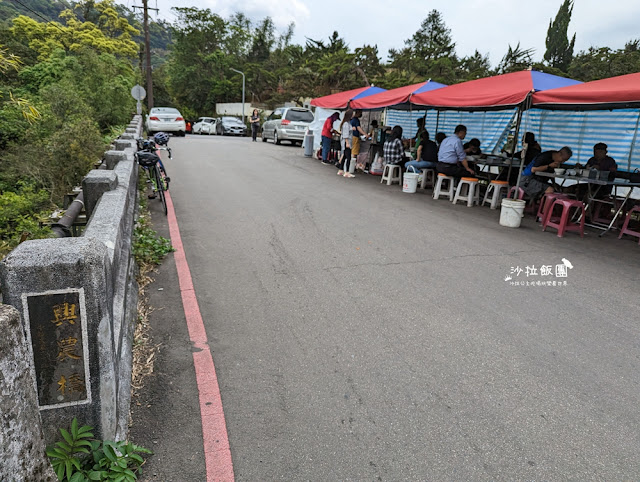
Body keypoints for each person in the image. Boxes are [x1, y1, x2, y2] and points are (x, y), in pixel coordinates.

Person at [337, 109, 355, 178]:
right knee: (348, 157)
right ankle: (347, 172)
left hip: (346, 141)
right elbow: (345, 134)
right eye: (352, 114)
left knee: (344, 156)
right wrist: (347, 143)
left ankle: (341, 170)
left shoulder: (347, 123)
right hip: (346, 142)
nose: (353, 115)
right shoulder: (346, 124)